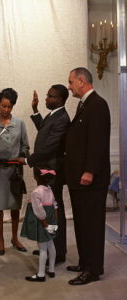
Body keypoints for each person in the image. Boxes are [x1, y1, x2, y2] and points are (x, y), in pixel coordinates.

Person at [14, 85, 70, 264]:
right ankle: (49, 247)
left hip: (52, 172)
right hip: (45, 170)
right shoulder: (54, 114)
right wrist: (35, 110)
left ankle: (59, 251)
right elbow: (45, 131)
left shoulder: (62, 118)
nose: (46, 98)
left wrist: (28, 160)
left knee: (54, 212)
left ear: (59, 99)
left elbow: (49, 147)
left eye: (50, 96)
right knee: (47, 211)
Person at [65, 67, 111, 285]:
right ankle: (85, 262)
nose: (69, 86)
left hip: (90, 179)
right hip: (79, 178)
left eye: (71, 82)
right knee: (82, 223)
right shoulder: (85, 105)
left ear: (81, 81)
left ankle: (93, 270)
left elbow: (98, 142)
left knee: (91, 225)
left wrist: (89, 171)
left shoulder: (97, 105)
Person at [0, 88, 29, 255]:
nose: (6, 110)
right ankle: (1, 238)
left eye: (9, 107)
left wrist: (23, 154)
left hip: (14, 171)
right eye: (3, 106)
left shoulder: (20, 123)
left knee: (15, 205)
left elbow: (25, 145)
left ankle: (15, 237)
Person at [21, 168, 58, 282]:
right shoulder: (49, 189)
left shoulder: (36, 192)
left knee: (42, 248)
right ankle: (51, 270)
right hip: (51, 220)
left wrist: (44, 223)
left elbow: (38, 210)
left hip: (43, 222)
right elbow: (55, 205)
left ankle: (41, 274)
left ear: (36, 177)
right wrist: (54, 220)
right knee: (51, 243)